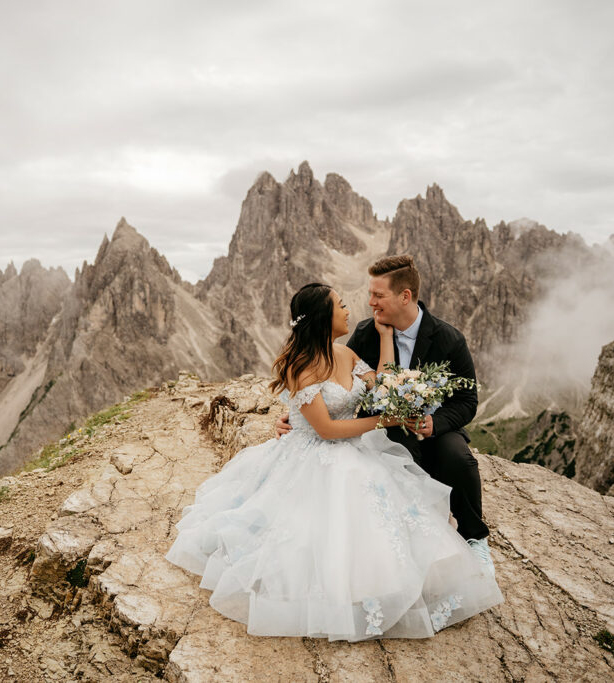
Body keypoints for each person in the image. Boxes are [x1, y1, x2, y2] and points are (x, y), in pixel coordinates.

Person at [165, 283, 503, 641]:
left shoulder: (345, 354)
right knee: (339, 506)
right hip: (314, 453)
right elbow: (326, 430)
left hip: (353, 447)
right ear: (325, 317)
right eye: (340, 305)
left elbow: (381, 385)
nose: (347, 310)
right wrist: (382, 421)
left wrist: (386, 338)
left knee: (380, 502)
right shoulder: (302, 366)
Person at [276, 255, 493, 571]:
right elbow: (331, 379)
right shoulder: (365, 334)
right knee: (394, 459)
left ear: (404, 296)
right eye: (370, 294)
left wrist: (436, 423)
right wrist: (298, 416)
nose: (370, 303)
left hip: (435, 426)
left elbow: (466, 400)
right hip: (386, 429)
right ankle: (425, 531)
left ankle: (476, 538)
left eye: (378, 295)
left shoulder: (448, 338)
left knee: (459, 458)